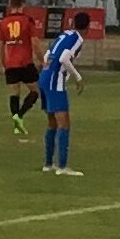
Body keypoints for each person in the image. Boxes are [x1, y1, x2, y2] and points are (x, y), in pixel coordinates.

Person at [39, 12, 92, 176]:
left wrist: (48, 70)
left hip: (44, 76)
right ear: (87, 27)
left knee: (52, 122)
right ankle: (62, 166)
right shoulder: (77, 39)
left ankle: (48, 164)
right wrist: (78, 77)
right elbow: (64, 58)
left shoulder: (64, 35)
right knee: (64, 123)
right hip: (55, 81)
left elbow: (47, 55)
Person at [0, 0, 42, 135]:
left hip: (11, 63)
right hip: (25, 62)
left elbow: (0, 46)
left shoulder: (3, 23)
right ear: (22, 5)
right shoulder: (28, 21)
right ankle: (20, 115)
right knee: (35, 91)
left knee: (14, 93)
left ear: (10, 5)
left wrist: (4, 64)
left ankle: (16, 125)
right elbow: (34, 43)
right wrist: (42, 60)